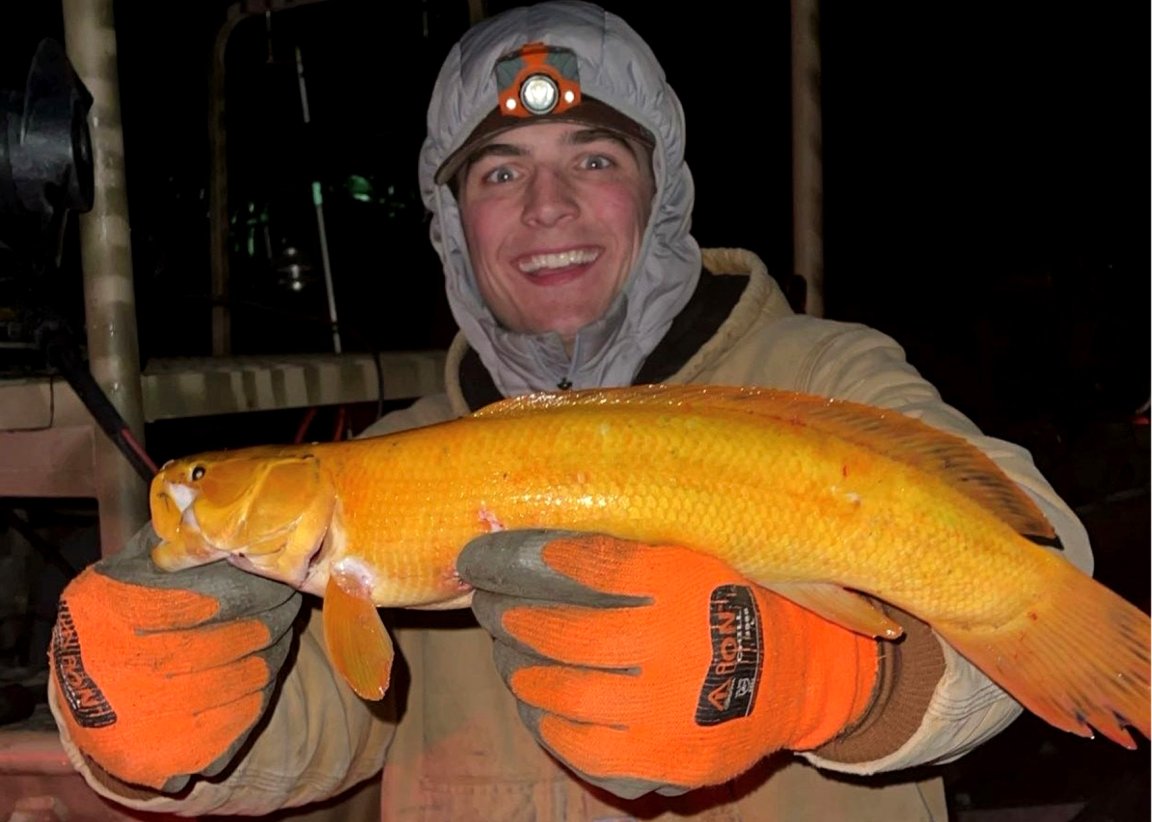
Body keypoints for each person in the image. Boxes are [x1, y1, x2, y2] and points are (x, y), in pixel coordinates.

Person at [47, 2, 1093, 819]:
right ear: (456, 226)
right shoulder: (393, 457)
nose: (548, 208)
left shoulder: (824, 375)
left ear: (660, 193)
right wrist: (144, 720)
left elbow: (1044, 554)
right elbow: (324, 732)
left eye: (593, 159)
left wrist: (831, 677)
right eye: (501, 173)